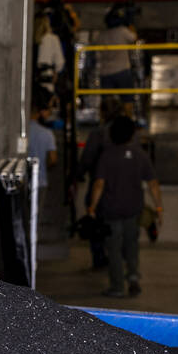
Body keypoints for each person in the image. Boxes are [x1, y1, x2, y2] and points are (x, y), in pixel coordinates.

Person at [87, 116, 162, 297]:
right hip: (133, 210)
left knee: (113, 248)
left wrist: (92, 206)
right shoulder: (140, 154)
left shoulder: (106, 155)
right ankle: (133, 277)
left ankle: (118, 286)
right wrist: (159, 208)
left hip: (111, 210)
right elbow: (153, 183)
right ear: (132, 134)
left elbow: (99, 184)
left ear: (112, 134)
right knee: (131, 245)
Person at [74, 97, 126, 270]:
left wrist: (78, 174)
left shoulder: (98, 134)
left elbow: (87, 159)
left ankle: (99, 259)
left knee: (95, 221)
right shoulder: (128, 133)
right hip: (121, 187)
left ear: (103, 112)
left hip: (99, 184)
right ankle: (119, 257)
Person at [96, 3, 139, 111]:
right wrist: (130, 24)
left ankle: (106, 123)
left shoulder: (101, 35)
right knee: (127, 100)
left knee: (106, 102)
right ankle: (128, 123)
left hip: (105, 72)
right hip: (122, 70)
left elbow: (96, 53)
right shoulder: (123, 31)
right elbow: (134, 38)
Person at [28, 87, 58, 193]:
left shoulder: (18, 131)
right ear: (42, 110)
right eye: (49, 109)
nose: (50, 112)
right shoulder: (47, 133)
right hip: (40, 181)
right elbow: (53, 159)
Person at [35, 13, 65, 97]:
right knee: (45, 104)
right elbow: (60, 62)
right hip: (48, 77)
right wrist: (56, 71)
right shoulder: (52, 39)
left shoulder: (32, 39)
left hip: (33, 78)